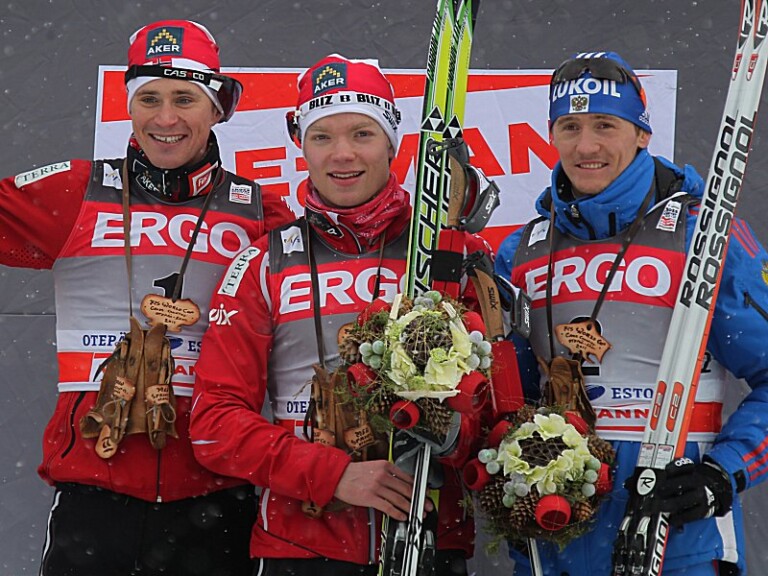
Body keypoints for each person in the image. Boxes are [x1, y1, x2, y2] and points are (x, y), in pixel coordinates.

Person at [0, 19, 295, 576]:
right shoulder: (76, 192)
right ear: (130, 106)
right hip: (95, 494)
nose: (165, 118)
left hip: (215, 498)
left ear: (219, 109)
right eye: (150, 99)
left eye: (185, 99)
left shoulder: (262, 217)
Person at [190, 54, 490, 576]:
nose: (342, 154)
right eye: (322, 136)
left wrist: (451, 433)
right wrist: (330, 475)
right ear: (301, 145)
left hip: (426, 537)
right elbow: (214, 423)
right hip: (301, 547)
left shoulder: (451, 254)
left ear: (392, 143)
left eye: (362, 134)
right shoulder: (264, 262)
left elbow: (495, 411)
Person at [494, 51, 768, 576]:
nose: (586, 146)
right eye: (570, 127)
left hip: (676, 541)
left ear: (642, 133)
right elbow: (510, 403)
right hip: (555, 544)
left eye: (605, 125)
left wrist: (722, 474)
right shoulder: (522, 252)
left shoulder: (702, 235)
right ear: (551, 135)